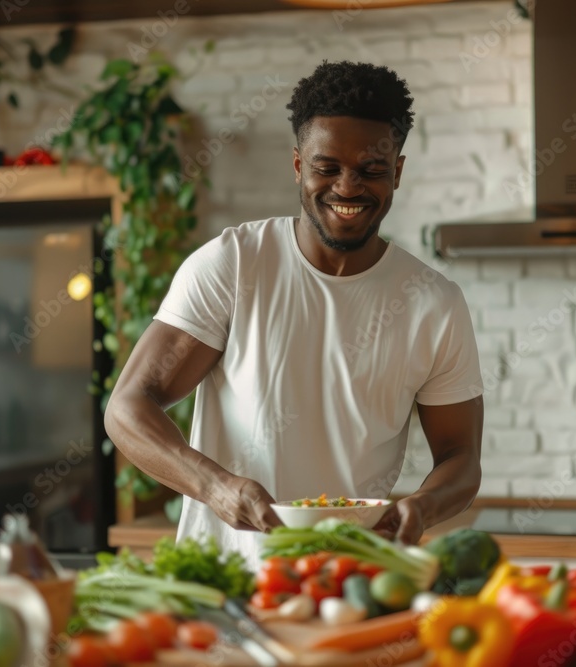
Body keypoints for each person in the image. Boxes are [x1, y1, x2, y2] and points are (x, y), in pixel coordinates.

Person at [105, 60, 483, 566]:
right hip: (228, 584)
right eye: (327, 167)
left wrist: (424, 505)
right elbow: (127, 408)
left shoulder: (435, 303)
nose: (347, 188)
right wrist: (217, 488)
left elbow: (461, 458)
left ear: (396, 170)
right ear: (299, 165)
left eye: (370, 170)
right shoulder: (236, 264)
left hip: (350, 579)